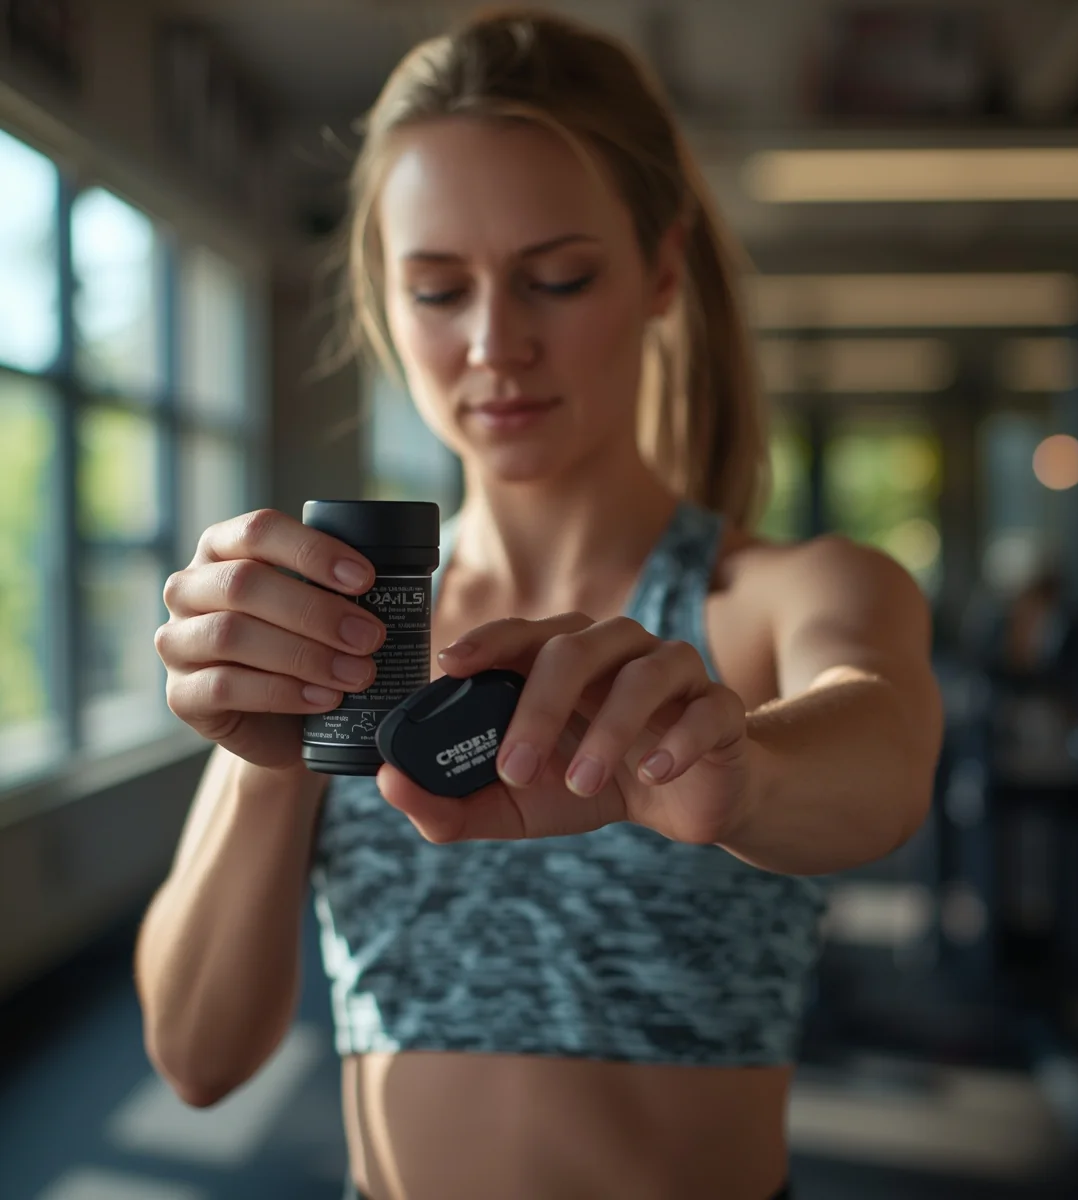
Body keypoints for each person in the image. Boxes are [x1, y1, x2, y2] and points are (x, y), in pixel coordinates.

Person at [135, 10, 943, 1199]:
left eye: (557, 279)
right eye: (437, 290)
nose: (495, 343)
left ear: (661, 270)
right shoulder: (347, 628)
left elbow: (882, 756)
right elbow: (199, 1060)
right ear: (384, 303)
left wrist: (740, 774)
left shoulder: (783, 596)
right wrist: (276, 743)